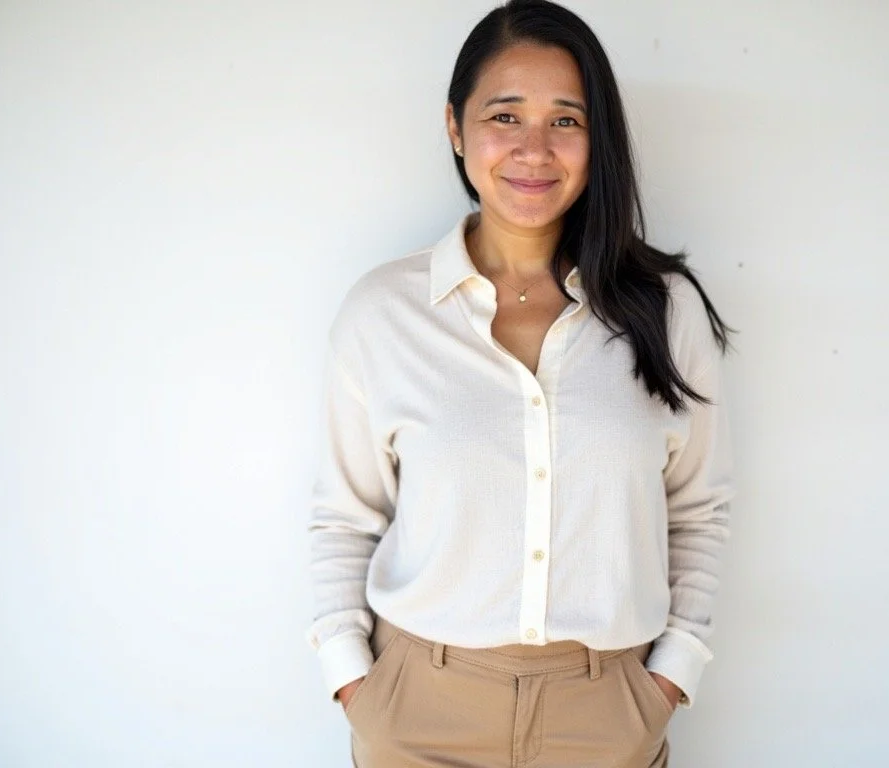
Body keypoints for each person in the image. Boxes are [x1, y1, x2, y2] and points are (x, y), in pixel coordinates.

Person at [305, 1, 736, 765]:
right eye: (505, 115)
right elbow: (345, 518)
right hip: (417, 710)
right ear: (454, 126)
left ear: (595, 137)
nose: (535, 149)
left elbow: (697, 513)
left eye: (566, 120)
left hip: (607, 713)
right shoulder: (383, 314)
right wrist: (356, 687)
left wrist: (668, 681)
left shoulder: (664, 312)